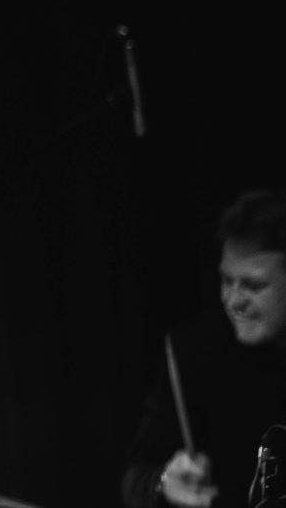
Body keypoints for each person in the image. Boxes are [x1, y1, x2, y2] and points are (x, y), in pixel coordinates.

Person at [121, 188, 286, 508]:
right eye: (226, 281)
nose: (233, 300)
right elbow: (135, 479)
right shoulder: (194, 351)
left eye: (253, 285)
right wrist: (163, 483)